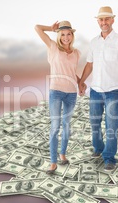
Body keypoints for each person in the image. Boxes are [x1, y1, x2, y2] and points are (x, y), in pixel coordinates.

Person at [78, 6, 118, 171]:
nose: (104, 22)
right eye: (101, 19)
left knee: (111, 126)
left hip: (113, 91)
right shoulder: (93, 42)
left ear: (113, 20)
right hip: (95, 91)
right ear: (98, 21)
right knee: (94, 123)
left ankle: (109, 157)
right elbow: (89, 64)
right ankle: (98, 148)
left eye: (107, 19)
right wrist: (81, 82)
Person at [35, 21, 85, 174]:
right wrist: (51, 28)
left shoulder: (77, 53)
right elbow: (37, 28)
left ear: (72, 35)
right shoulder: (53, 47)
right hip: (56, 91)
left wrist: (81, 83)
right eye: (62, 34)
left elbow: (71, 72)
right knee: (55, 126)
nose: (65, 37)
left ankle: (62, 153)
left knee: (67, 125)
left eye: (68, 34)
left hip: (71, 93)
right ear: (58, 35)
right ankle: (53, 162)